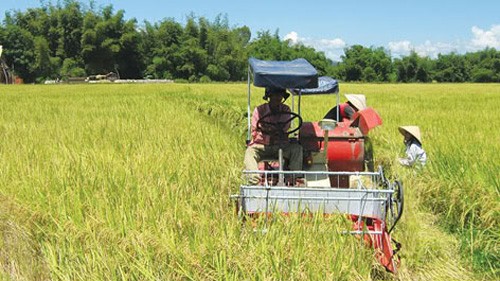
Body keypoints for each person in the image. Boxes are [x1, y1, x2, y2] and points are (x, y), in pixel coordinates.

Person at [244, 87, 303, 185]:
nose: (278, 98)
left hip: (280, 145)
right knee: (250, 152)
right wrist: (269, 133)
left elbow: (284, 127)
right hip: (262, 146)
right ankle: (254, 181)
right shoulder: (259, 110)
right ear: (269, 96)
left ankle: (294, 179)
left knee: (297, 149)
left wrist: (270, 130)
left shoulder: (286, 109)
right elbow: (255, 130)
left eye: (280, 95)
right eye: (275, 95)